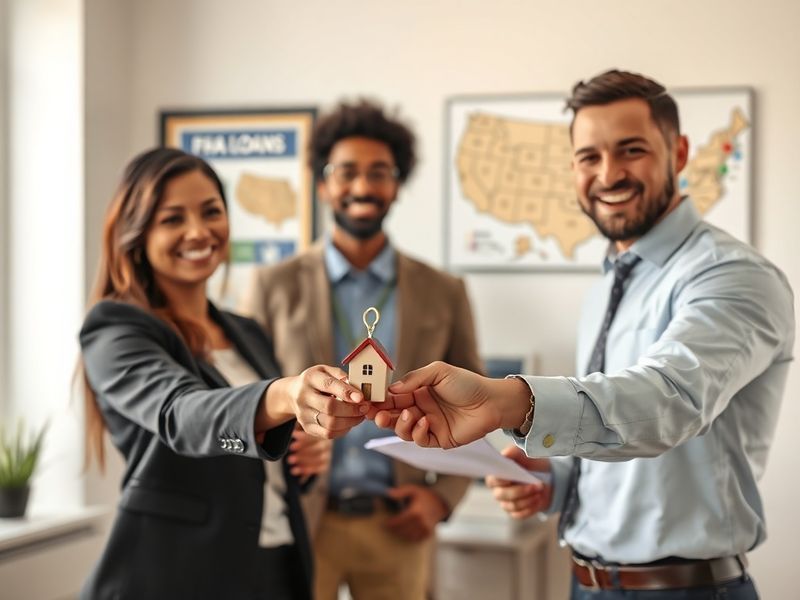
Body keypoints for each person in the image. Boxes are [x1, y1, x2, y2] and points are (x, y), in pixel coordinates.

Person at [374, 70, 795, 599]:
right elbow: (629, 448)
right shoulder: (609, 281)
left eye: (631, 150)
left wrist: (512, 403)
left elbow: (670, 399)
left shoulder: (733, 276)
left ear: (681, 151)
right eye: (588, 157)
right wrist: (552, 484)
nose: (609, 174)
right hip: (586, 584)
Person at [79, 147, 370, 600]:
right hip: (176, 576)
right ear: (135, 232)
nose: (198, 231)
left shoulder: (246, 331)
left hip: (278, 566)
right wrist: (286, 394)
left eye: (211, 212)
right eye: (172, 218)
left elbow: (265, 454)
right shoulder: (117, 328)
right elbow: (181, 413)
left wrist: (306, 458)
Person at [240, 99, 483, 600]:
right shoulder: (271, 285)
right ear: (323, 184)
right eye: (347, 172)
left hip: (399, 522)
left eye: (380, 173)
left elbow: (474, 404)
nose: (363, 187)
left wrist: (443, 499)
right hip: (302, 522)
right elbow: (242, 403)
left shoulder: (445, 290)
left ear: (396, 184)